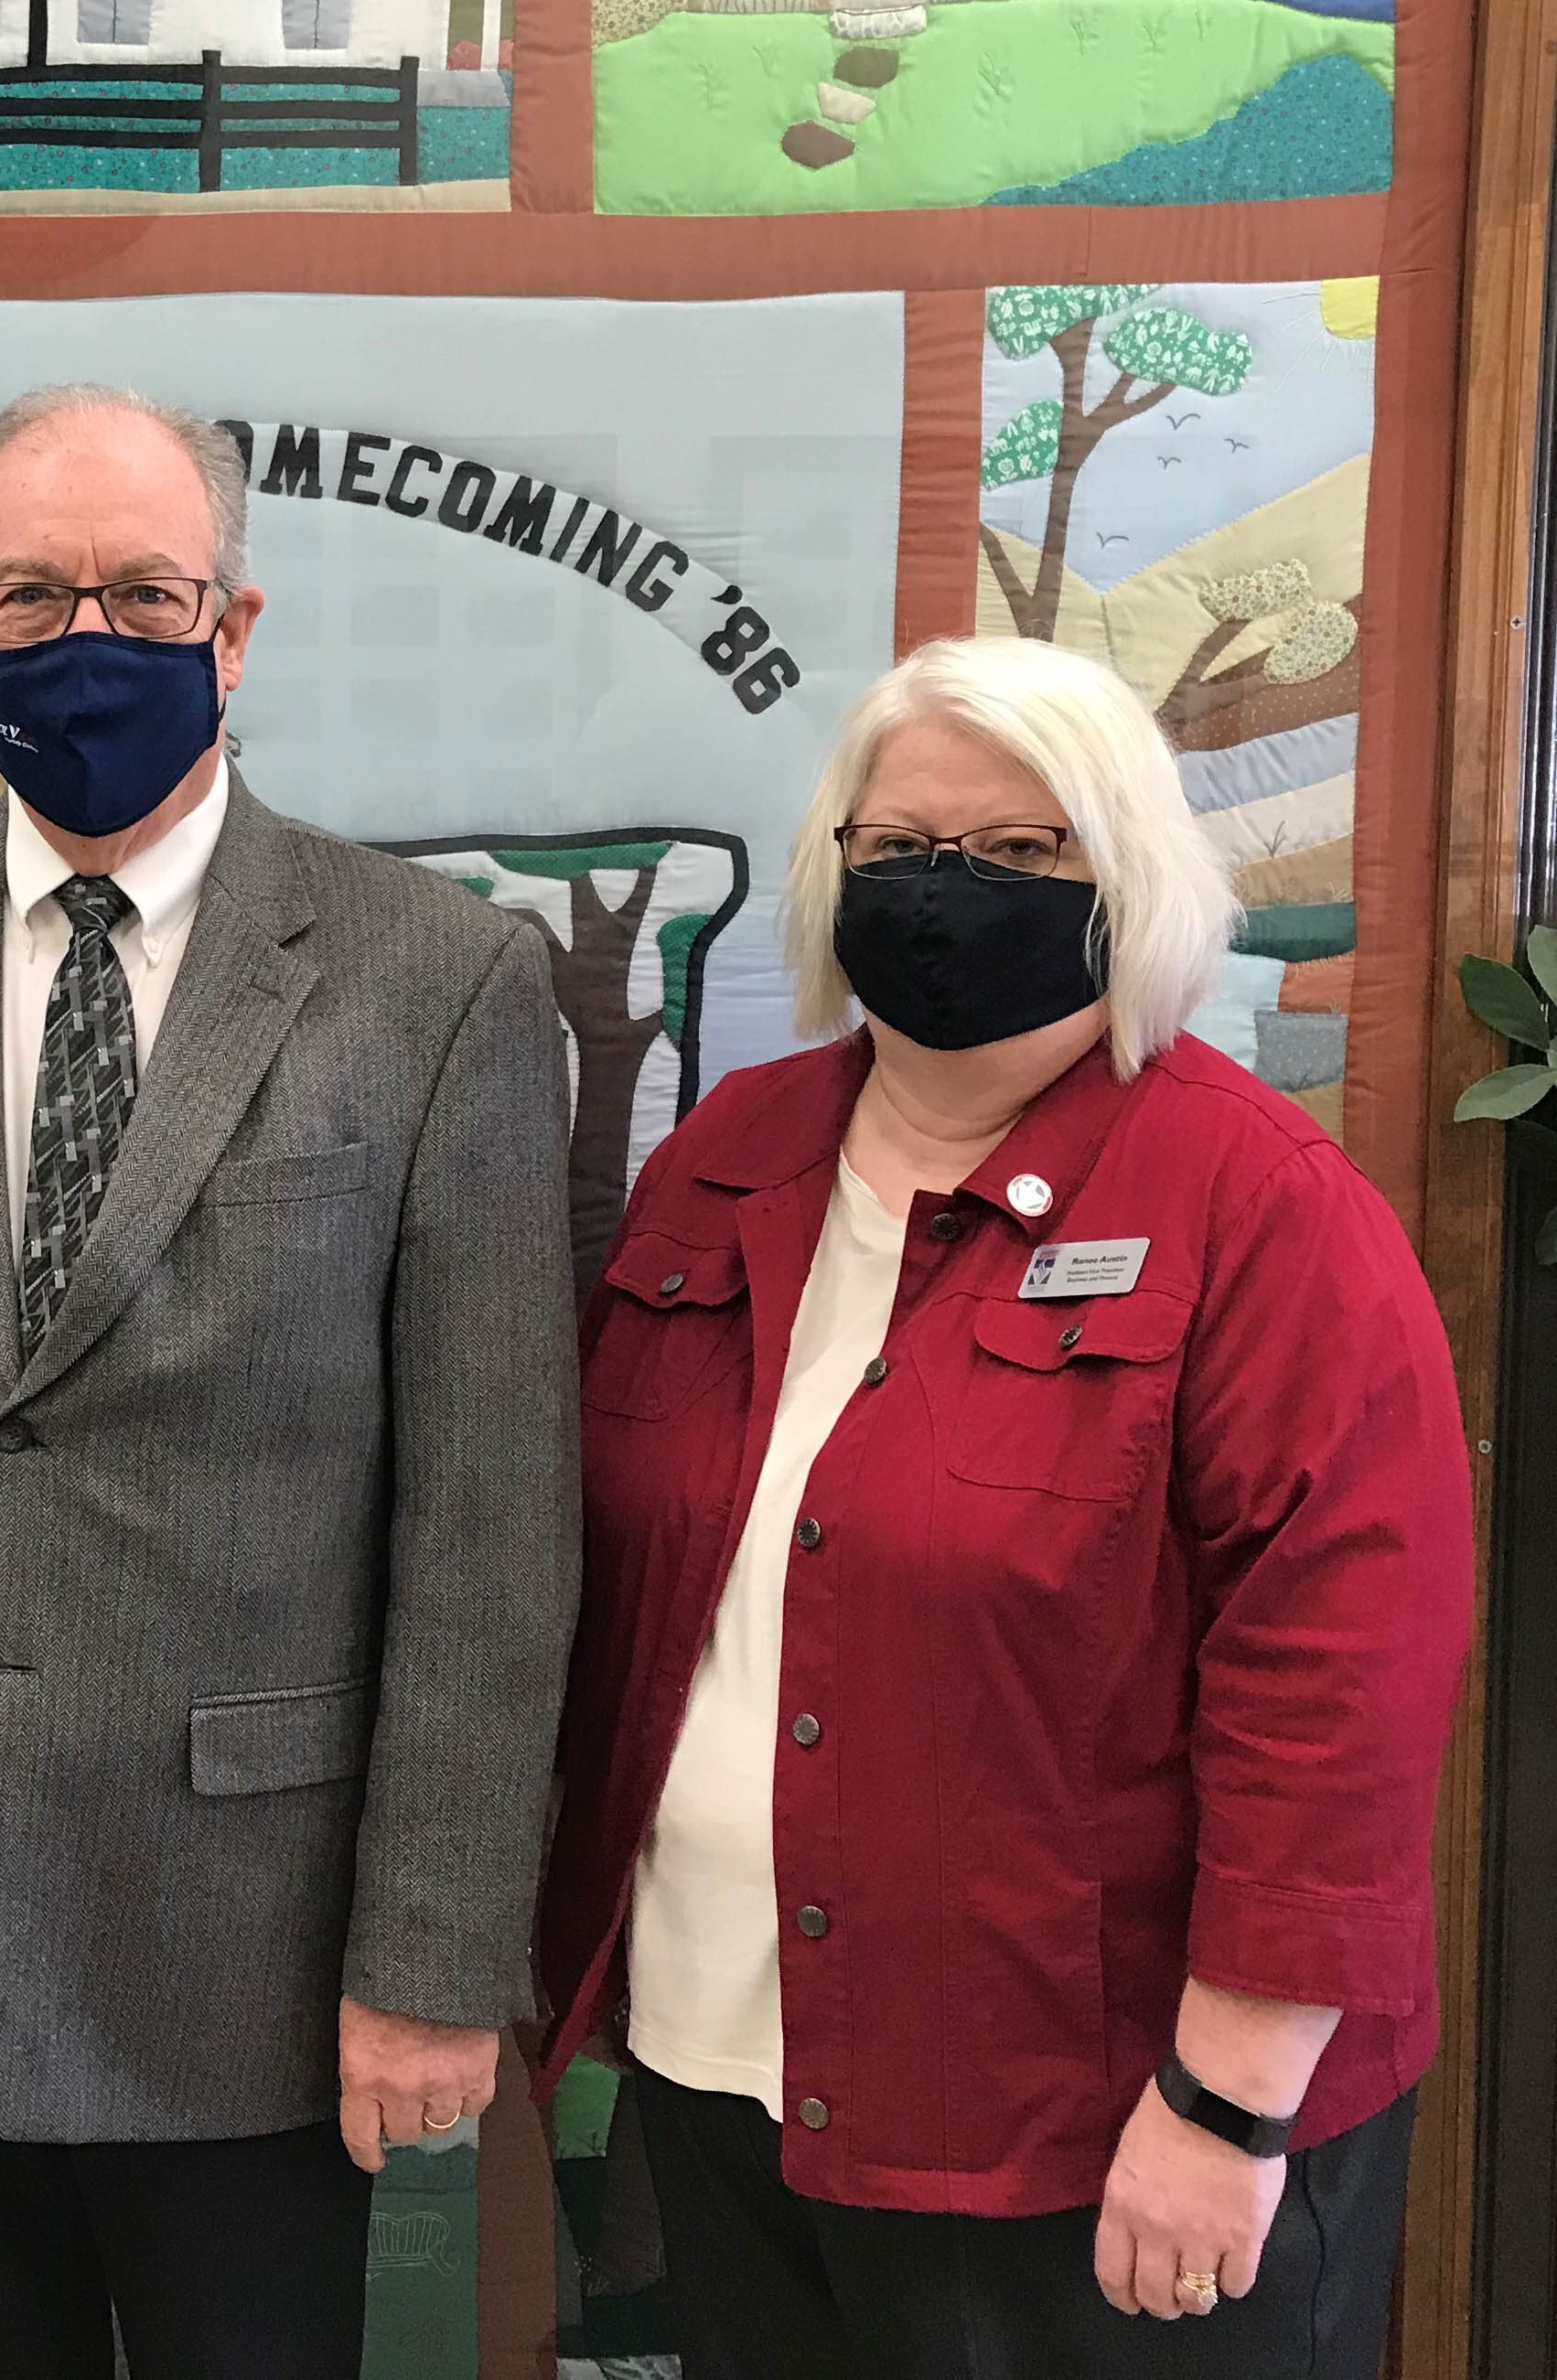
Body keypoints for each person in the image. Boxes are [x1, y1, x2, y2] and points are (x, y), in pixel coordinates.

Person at [0, 381, 581, 2378]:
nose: (89, 638)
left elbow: (490, 1523)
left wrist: (433, 1948)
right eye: (31, 596)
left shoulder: (438, 980)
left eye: (146, 595)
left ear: (233, 629)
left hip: (248, 1936)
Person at [532, 635, 1471, 2376]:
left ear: (1125, 873)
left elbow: (1336, 1696)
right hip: (723, 2061)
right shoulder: (720, 1160)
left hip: (1089, 2124)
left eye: (1020, 850)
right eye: (896, 847)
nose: (944, 888)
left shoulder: (1258, 1205)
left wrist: (1224, 2104)